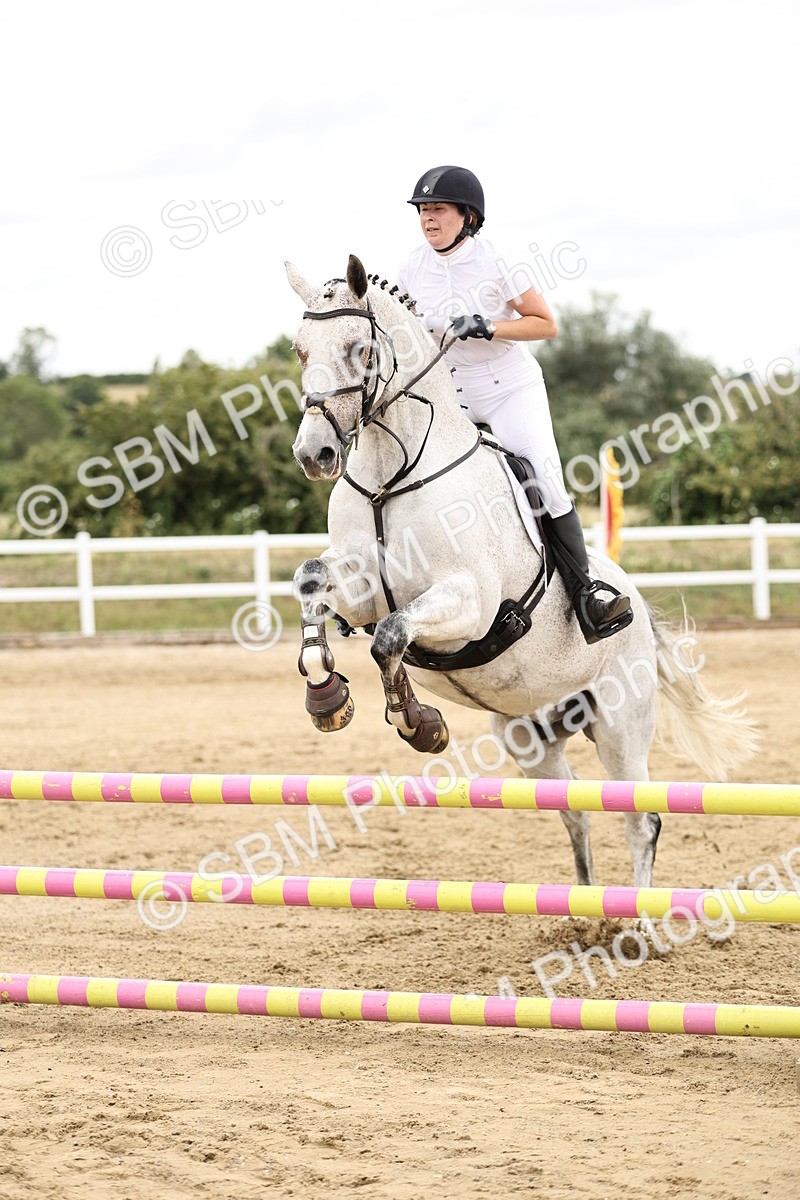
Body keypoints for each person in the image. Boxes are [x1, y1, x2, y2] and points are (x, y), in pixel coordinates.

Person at [396, 164, 632, 644]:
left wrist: (489, 326)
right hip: (452, 396)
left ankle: (588, 596)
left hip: (508, 389)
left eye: (438, 209)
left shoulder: (497, 260)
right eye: (422, 210)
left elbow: (546, 324)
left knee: (543, 477)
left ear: (468, 216)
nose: (427, 218)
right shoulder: (410, 269)